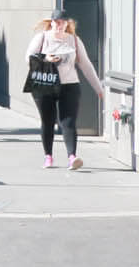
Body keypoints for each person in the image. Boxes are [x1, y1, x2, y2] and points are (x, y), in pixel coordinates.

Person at [32, 11, 104, 171]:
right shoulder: (42, 38)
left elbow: (85, 65)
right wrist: (45, 58)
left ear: (67, 23)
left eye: (62, 22)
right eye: (56, 22)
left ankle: (72, 157)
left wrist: (98, 88)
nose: (59, 25)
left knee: (68, 121)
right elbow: (28, 57)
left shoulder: (74, 41)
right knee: (48, 121)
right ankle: (48, 156)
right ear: (51, 22)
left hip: (69, 85)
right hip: (45, 84)